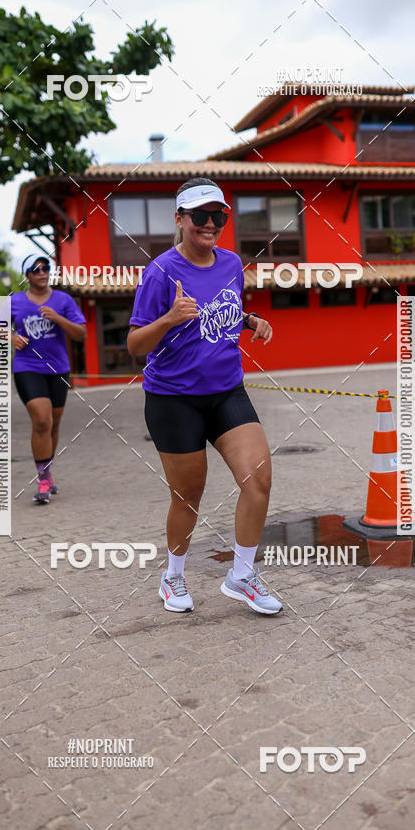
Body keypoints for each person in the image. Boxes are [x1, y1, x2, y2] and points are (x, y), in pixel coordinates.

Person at [127, 177, 282, 616]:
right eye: (200, 216)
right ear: (180, 219)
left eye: (219, 216)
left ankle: (242, 575)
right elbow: (136, 343)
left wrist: (249, 320)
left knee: (259, 480)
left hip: (226, 390)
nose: (210, 224)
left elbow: (221, 308)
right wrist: (170, 319)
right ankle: (173, 574)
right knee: (188, 497)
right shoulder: (160, 272)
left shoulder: (232, 263)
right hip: (173, 398)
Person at [5, 254, 87, 504]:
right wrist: (10, 337)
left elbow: (81, 334)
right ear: (27, 275)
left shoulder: (63, 300)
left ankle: (48, 472)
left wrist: (58, 318)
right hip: (27, 366)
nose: (42, 272)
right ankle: (42, 480)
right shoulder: (14, 301)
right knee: (41, 420)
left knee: (53, 424)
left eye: (45, 268)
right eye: (36, 269)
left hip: (58, 369)